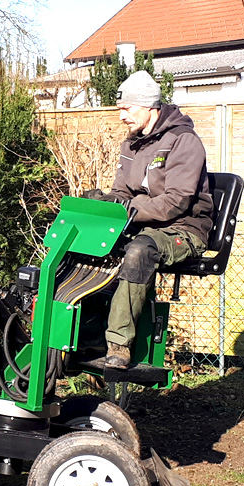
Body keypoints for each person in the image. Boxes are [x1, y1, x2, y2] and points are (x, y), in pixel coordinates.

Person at [87, 70, 214, 369]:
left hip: (183, 229)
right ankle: (85, 334)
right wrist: (106, 204)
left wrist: (128, 211)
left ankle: (119, 346)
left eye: (127, 109)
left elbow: (176, 202)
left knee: (139, 251)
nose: (122, 117)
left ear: (149, 107)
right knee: (90, 241)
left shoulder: (184, 141)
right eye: (120, 109)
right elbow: (122, 191)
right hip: (144, 224)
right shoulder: (132, 144)